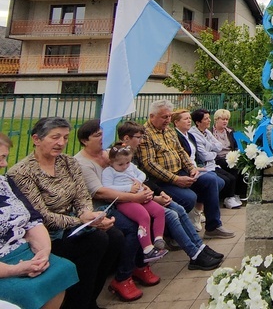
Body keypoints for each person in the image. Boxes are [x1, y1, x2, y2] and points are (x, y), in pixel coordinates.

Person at [8, 117, 123, 309]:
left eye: (65, 137)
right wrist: (80, 221)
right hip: (46, 234)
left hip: (75, 224)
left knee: (115, 236)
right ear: (36, 139)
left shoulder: (68, 162)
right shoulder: (21, 172)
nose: (61, 143)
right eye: (55, 137)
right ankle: (78, 303)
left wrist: (88, 213)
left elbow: (82, 194)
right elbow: (41, 215)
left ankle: (89, 299)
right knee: (97, 241)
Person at [72, 119, 160, 302]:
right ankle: (123, 277)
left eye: (104, 133)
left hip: (125, 199)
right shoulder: (82, 163)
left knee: (158, 213)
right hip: (102, 208)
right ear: (84, 140)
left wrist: (145, 190)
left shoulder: (108, 154)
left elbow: (131, 173)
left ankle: (140, 264)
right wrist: (135, 197)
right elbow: (101, 192)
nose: (102, 138)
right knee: (131, 227)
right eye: (97, 135)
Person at [117, 122, 224, 270]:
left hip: (147, 195)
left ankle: (200, 248)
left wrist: (160, 193)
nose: (141, 142)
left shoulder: (131, 153)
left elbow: (143, 179)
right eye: (138, 138)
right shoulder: (118, 157)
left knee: (179, 208)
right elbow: (121, 187)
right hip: (135, 201)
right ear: (126, 138)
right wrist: (155, 197)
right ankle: (194, 254)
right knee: (172, 213)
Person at [136, 99, 235, 239]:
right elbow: (149, 164)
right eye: (164, 117)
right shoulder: (145, 134)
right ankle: (171, 234)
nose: (168, 120)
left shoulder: (168, 131)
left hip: (181, 172)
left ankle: (213, 226)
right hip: (161, 180)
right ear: (152, 116)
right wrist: (175, 179)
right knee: (189, 198)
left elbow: (181, 152)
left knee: (211, 180)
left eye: (169, 116)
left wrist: (191, 168)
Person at [0, 132, 78, 309]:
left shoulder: (4, 182)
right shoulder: (23, 171)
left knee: (62, 269)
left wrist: (43, 251)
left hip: (23, 251)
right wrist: (17, 269)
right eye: (1, 158)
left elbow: (33, 219)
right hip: (4, 263)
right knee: (23, 292)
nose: (5, 164)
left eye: (5, 157)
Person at [101, 145, 168, 263]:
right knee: (143, 216)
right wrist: (128, 188)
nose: (125, 166)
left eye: (127, 162)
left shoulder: (130, 167)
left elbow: (142, 175)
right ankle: (147, 249)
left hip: (140, 195)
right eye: (120, 164)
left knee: (159, 211)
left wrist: (139, 181)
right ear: (111, 162)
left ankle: (158, 238)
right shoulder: (109, 172)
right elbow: (107, 187)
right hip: (126, 201)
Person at [189, 109, 241, 209]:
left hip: (215, 161)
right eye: (206, 119)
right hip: (208, 164)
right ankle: (221, 200)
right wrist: (214, 152)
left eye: (209, 118)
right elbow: (205, 155)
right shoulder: (196, 135)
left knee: (231, 176)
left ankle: (230, 197)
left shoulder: (207, 132)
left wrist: (213, 150)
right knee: (225, 179)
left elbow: (219, 146)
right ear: (198, 122)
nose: (209, 120)